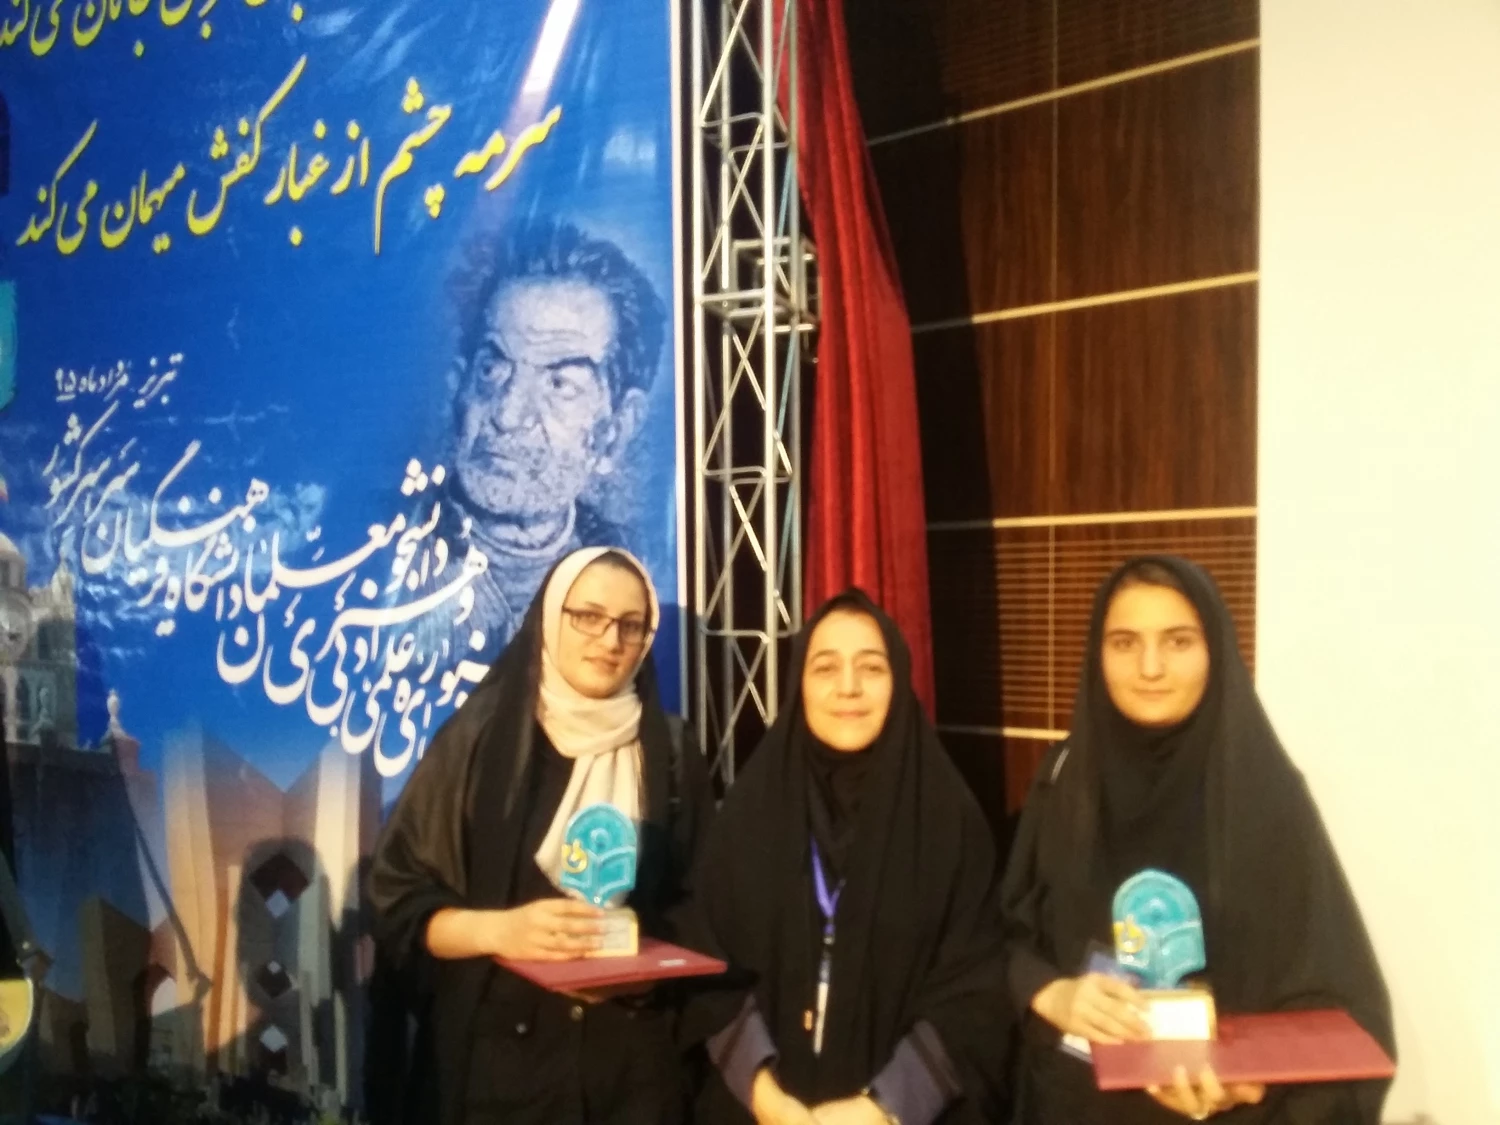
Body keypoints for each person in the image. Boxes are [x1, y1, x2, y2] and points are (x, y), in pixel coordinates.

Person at [1000, 556, 1394, 1123]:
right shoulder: (1065, 781)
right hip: (1072, 1106)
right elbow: (1005, 937)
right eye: (1125, 643)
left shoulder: (1265, 795)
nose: (1150, 667)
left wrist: (1248, 1084)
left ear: (1215, 651)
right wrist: (1051, 993)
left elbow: (1339, 1007)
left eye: (1178, 641)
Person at [366, 547, 714, 1125]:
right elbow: (397, 902)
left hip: (630, 1074)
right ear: (551, 618)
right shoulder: (479, 742)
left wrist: (633, 965)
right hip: (500, 1077)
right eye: (589, 616)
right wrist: (501, 930)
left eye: (631, 625)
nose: (610, 640)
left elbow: (703, 906)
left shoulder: (672, 754)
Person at [683, 590, 1012, 1125]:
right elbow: (708, 964)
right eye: (825, 668)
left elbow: (976, 992)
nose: (849, 687)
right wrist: (765, 1095)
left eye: (872, 667)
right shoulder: (749, 812)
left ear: (899, 680)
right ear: (799, 683)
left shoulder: (950, 822)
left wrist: (883, 1108)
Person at [407, 218, 667, 666]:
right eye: (492, 369)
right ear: (458, 387)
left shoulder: (633, 575)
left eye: (559, 384)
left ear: (615, 431)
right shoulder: (382, 557)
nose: (507, 415)